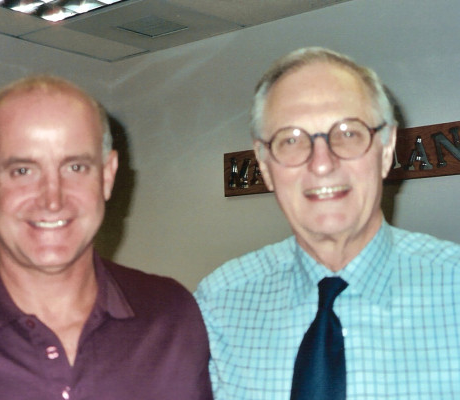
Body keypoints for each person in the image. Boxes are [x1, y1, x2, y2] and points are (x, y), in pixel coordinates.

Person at [195, 47, 460, 399]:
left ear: (385, 148)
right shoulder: (219, 305)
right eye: (291, 139)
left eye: (348, 133)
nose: (322, 163)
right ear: (264, 164)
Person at [0, 75, 212, 400]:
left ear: (108, 175)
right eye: (23, 171)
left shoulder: (171, 316)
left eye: (76, 168)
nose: (52, 199)